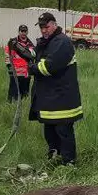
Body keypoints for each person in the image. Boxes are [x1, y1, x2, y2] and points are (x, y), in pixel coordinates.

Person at [26, 11, 82, 165]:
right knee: (50, 131)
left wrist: (32, 68)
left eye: (47, 26)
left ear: (54, 24)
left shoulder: (62, 42)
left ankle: (69, 162)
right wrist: (20, 49)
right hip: (50, 97)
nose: (44, 30)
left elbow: (49, 67)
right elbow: (35, 54)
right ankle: (54, 157)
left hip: (62, 97)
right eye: (41, 27)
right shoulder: (48, 41)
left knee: (63, 131)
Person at [5, 24, 35, 103]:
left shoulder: (31, 44)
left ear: (27, 32)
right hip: (15, 72)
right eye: (22, 31)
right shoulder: (13, 42)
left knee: (25, 93)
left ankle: (23, 104)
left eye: (25, 31)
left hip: (26, 73)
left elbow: (33, 58)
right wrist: (9, 66)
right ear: (18, 32)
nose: (23, 33)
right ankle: (11, 105)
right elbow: (7, 54)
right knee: (13, 92)